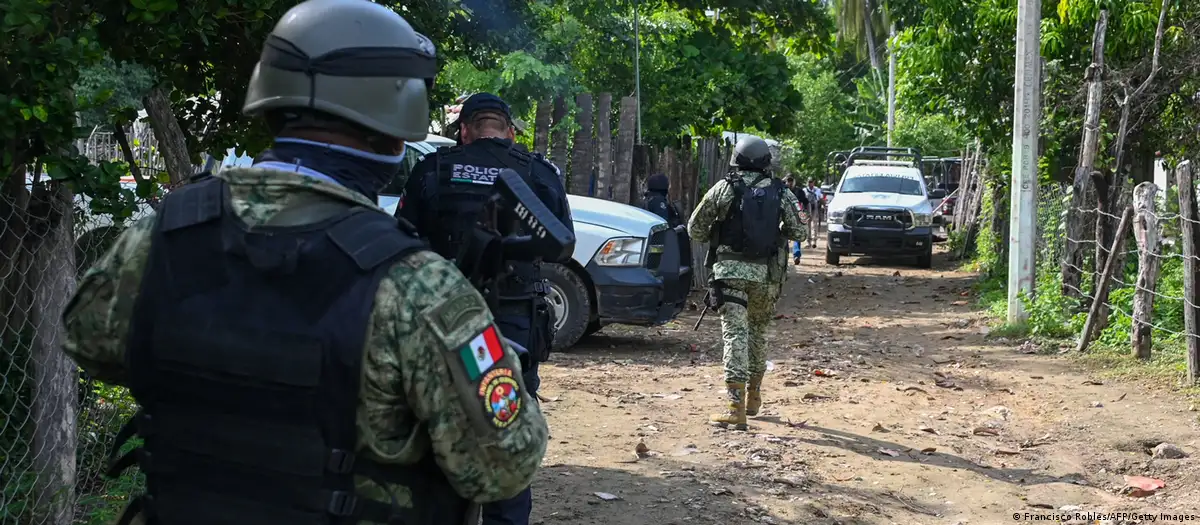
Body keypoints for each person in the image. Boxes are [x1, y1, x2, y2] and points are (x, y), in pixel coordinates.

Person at [60, 2, 548, 524]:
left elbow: (89, 342)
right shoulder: (416, 287)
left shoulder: (165, 233)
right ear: (392, 116)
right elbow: (502, 467)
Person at [397, 92, 572, 525]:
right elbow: (561, 244)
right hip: (512, 321)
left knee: (432, 424)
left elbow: (403, 242)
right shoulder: (540, 172)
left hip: (442, 319)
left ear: (464, 130)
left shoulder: (434, 168)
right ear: (510, 131)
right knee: (506, 427)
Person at [688, 137, 805, 430]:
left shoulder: (725, 188)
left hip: (731, 274)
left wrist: (722, 229)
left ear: (735, 159)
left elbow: (695, 229)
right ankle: (754, 398)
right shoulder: (782, 192)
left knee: (735, 335)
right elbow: (799, 231)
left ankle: (734, 407)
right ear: (767, 162)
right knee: (759, 333)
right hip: (766, 276)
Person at [784, 176, 808, 265]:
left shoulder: (799, 192)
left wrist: (805, 214)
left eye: (791, 180)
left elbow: (805, 203)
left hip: (796, 216)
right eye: (788, 180)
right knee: (783, 237)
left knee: (797, 235)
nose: (790, 182)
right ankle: (785, 256)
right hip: (784, 217)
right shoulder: (782, 191)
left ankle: (796, 255)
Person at [805, 179, 824, 248]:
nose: (810, 183)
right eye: (809, 182)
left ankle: (814, 241)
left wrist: (824, 206)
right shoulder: (804, 190)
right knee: (807, 225)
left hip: (815, 208)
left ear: (813, 182)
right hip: (807, 209)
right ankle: (808, 242)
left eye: (811, 182)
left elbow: (821, 198)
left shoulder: (817, 190)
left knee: (814, 225)